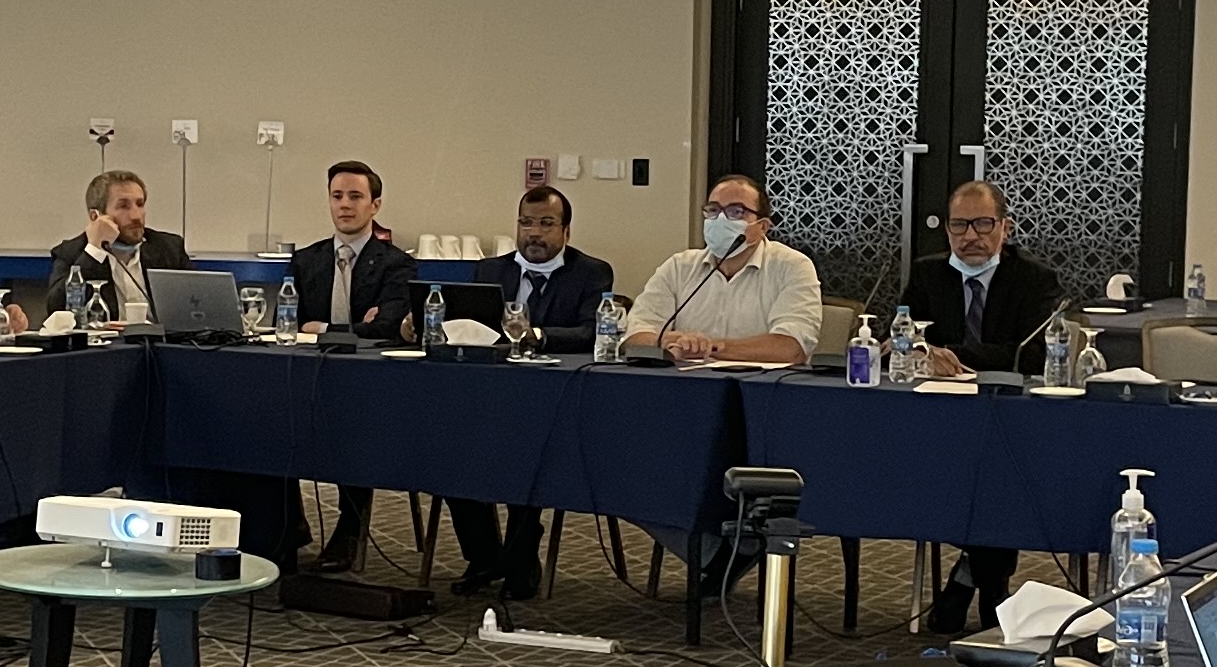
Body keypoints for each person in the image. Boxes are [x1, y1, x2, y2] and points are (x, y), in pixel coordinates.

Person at [904, 178, 1066, 633]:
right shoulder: (926, 274)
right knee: (980, 475)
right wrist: (921, 352)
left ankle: (966, 579)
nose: (970, 236)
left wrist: (952, 354)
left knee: (1000, 471)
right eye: (959, 225)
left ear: (1005, 228)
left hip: (1013, 415)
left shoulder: (1035, 279)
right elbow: (902, 337)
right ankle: (990, 587)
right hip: (941, 419)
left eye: (982, 224)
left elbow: (1032, 354)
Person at [449, 183, 615, 604]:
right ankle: (484, 557)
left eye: (546, 224)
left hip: (554, 405)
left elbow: (592, 331)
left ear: (566, 231)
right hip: (488, 401)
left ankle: (521, 562)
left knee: (528, 462)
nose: (534, 234)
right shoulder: (490, 272)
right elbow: (471, 329)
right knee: (448, 457)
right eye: (526, 223)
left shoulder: (591, 272)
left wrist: (538, 335)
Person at [284, 162, 427, 568]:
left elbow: (386, 329)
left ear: (374, 205)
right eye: (337, 196)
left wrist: (325, 327)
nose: (344, 205)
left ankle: (350, 530)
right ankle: (288, 527)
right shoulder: (306, 260)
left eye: (355, 197)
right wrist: (352, 326)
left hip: (371, 381)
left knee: (356, 428)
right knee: (272, 422)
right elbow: (291, 322)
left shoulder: (396, 263)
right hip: (311, 372)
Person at [625, 178, 823, 365]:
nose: (720, 219)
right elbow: (634, 336)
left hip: (761, 390)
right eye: (713, 210)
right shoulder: (678, 267)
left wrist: (708, 347)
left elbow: (791, 348)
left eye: (736, 211)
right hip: (682, 386)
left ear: (762, 226)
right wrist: (665, 341)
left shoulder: (792, 267)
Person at [47, 169, 192, 328]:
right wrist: (95, 251)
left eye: (140, 204)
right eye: (123, 206)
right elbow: (56, 310)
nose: (136, 216)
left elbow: (195, 305)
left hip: (162, 345)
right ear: (96, 217)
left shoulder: (168, 248)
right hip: (107, 349)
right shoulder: (71, 253)